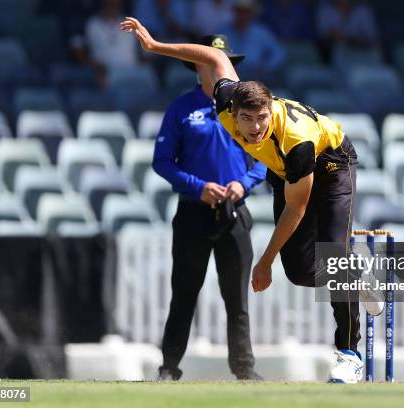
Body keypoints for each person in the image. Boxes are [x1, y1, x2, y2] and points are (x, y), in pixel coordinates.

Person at [121, 16, 383, 384]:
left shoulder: (296, 141)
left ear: (270, 111)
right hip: (277, 174)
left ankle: (348, 354)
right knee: (299, 270)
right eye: (247, 120)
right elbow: (212, 58)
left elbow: (296, 208)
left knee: (333, 256)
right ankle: (358, 271)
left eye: (261, 119)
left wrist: (264, 261)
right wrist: (154, 46)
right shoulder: (225, 97)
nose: (255, 128)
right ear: (232, 112)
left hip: (332, 163)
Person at [151, 34, 266, 381]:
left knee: (237, 301)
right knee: (184, 294)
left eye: (225, 61)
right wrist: (198, 187)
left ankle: (244, 371)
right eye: (212, 60)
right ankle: (169, 368)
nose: (220, 68)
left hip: (234, 215)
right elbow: (162, 162)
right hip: (193, 214)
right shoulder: (182, 108)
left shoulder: (242, 110)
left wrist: (242, 183)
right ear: (198, 65)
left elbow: (264, 160)